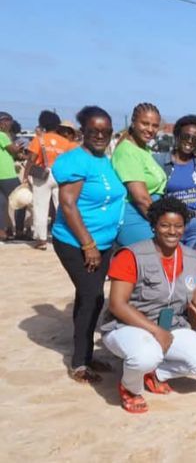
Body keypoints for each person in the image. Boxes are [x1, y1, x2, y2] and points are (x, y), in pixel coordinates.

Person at [101, 197, 196, 413]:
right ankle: (130, 387)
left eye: (178, 226)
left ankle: (156, 373)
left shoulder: (193, 259)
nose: (172, 231)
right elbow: (117, 304)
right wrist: (155, 330)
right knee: (146, 355)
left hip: (170, 326)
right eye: (165, 225)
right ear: (153, 226)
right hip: (127, 327)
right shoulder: (132, 255)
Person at [51, 106, 127, 383]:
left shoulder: (104, 160)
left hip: (104, 243)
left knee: (90, 297)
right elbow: (68, 205)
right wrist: (88, 244)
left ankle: (85, 354)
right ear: (83, 131)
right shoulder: (74, 160)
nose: (100, 135)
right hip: (76, 242)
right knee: (92, 295)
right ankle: (80, 363)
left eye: (106, 131)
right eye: (94, 131)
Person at [112, 102, 167, 246]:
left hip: (150, 215)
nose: (150, 129)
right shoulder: (127, 151)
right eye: (145, 123)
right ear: (133, 122)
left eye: (155, 125)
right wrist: (163, 225)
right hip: (137, 217)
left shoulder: (143, 150)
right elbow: (141, 199)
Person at [154, 114, 196, 249]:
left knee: (193, 261)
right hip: (171, 226)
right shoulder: (160, 161)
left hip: (195, 228)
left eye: (195, 139)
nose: (189, 141)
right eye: (186, 136)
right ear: (177, 135)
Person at [23, 110, 77, 250]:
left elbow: (32, 159)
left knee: (40, 207)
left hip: (42, 175)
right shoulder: (65, 142)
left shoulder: (39, 139)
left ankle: (41, 240)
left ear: (42, 124)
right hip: (61, 175)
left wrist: (25, 176)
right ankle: (64, 236)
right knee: (62, 206)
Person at [0, 111, 25, 241]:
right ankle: (19, 231)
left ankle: (2, 232)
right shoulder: (2, 135)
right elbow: (13, 150)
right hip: (6, 174)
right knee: (22, 200)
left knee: (1, 204)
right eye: (7, 121)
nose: (10, 123)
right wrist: (18, 146)